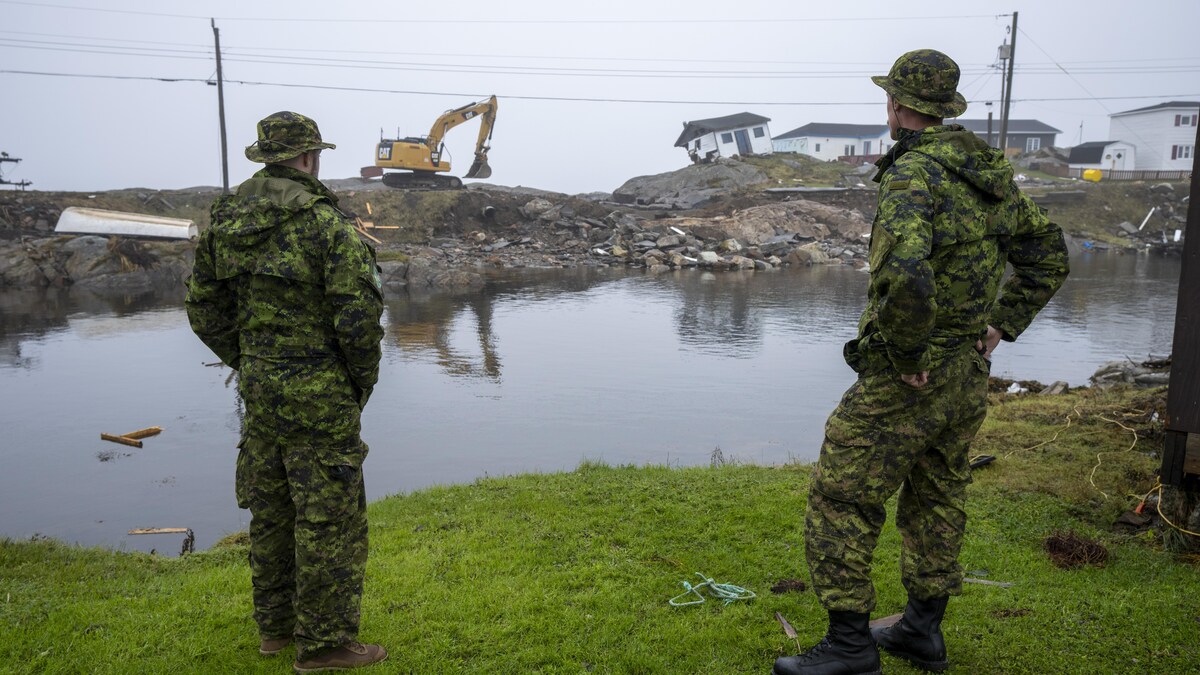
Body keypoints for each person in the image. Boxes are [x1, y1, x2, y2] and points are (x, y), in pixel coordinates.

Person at [773, 50, 1069, 675]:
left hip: (912, 373)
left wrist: (908, 354)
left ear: (898, 107)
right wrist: (998, 328)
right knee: (937, 492)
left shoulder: (915, 176)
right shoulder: (987, 176)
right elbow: (1048, 254)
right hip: (965, 370)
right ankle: (921, 631)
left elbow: (906, 275)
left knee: (843, 496)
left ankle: (850, 646)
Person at [185, 111, 387, 672]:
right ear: (307, 158)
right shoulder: (324, 225)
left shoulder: (224, 221)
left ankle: (275, 631)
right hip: (319, 391)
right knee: (328, 516)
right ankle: (323, 646)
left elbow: (203, 307)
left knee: (271, 510)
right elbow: (358, 318)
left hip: (260, 388)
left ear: (265, 156)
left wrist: (250, 360)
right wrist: (355, 382)